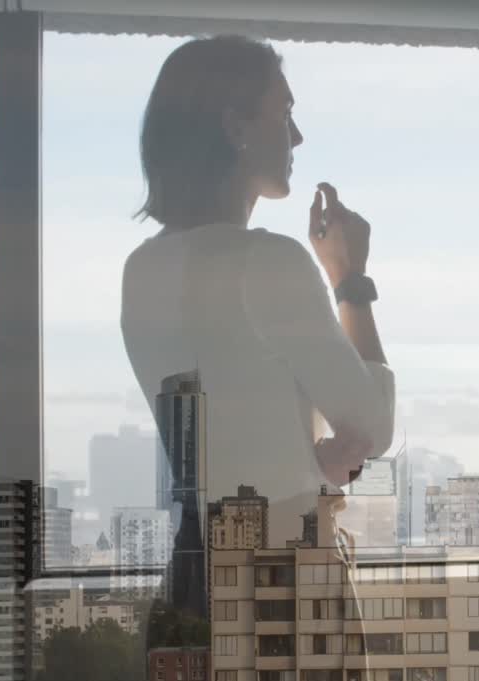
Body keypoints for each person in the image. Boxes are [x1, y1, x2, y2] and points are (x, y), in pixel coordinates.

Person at [119, 35, 394, 607]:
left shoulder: (141, 269)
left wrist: (308, 460)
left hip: (196, 574)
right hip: (285, 574)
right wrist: (349, 280)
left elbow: (227, 434)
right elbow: (374, 425)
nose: (297, 136)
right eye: (285, 113)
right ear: (235, 127)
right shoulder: (268, 262)